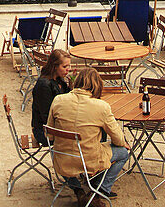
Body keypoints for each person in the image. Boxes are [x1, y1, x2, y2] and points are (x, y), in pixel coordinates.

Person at [47, 67, 130, 207]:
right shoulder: (101, 106)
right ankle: (98, 191)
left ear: (77, 81)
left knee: (61, 151)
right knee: (123, 153)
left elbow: (49, 134)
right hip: (89, 160)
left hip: (62, 159)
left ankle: (79, 191)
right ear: (97, 85)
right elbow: (117, 137)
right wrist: (123, 143)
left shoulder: (58, 100)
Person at [31, 49, 71, 145]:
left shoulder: (59, 79)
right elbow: (46, 115)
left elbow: (68, 98)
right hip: (43, 130)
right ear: (55, 66)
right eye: (64, 66)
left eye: (69, 66)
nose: (68, 69)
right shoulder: (44, 85)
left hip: (57, 123)